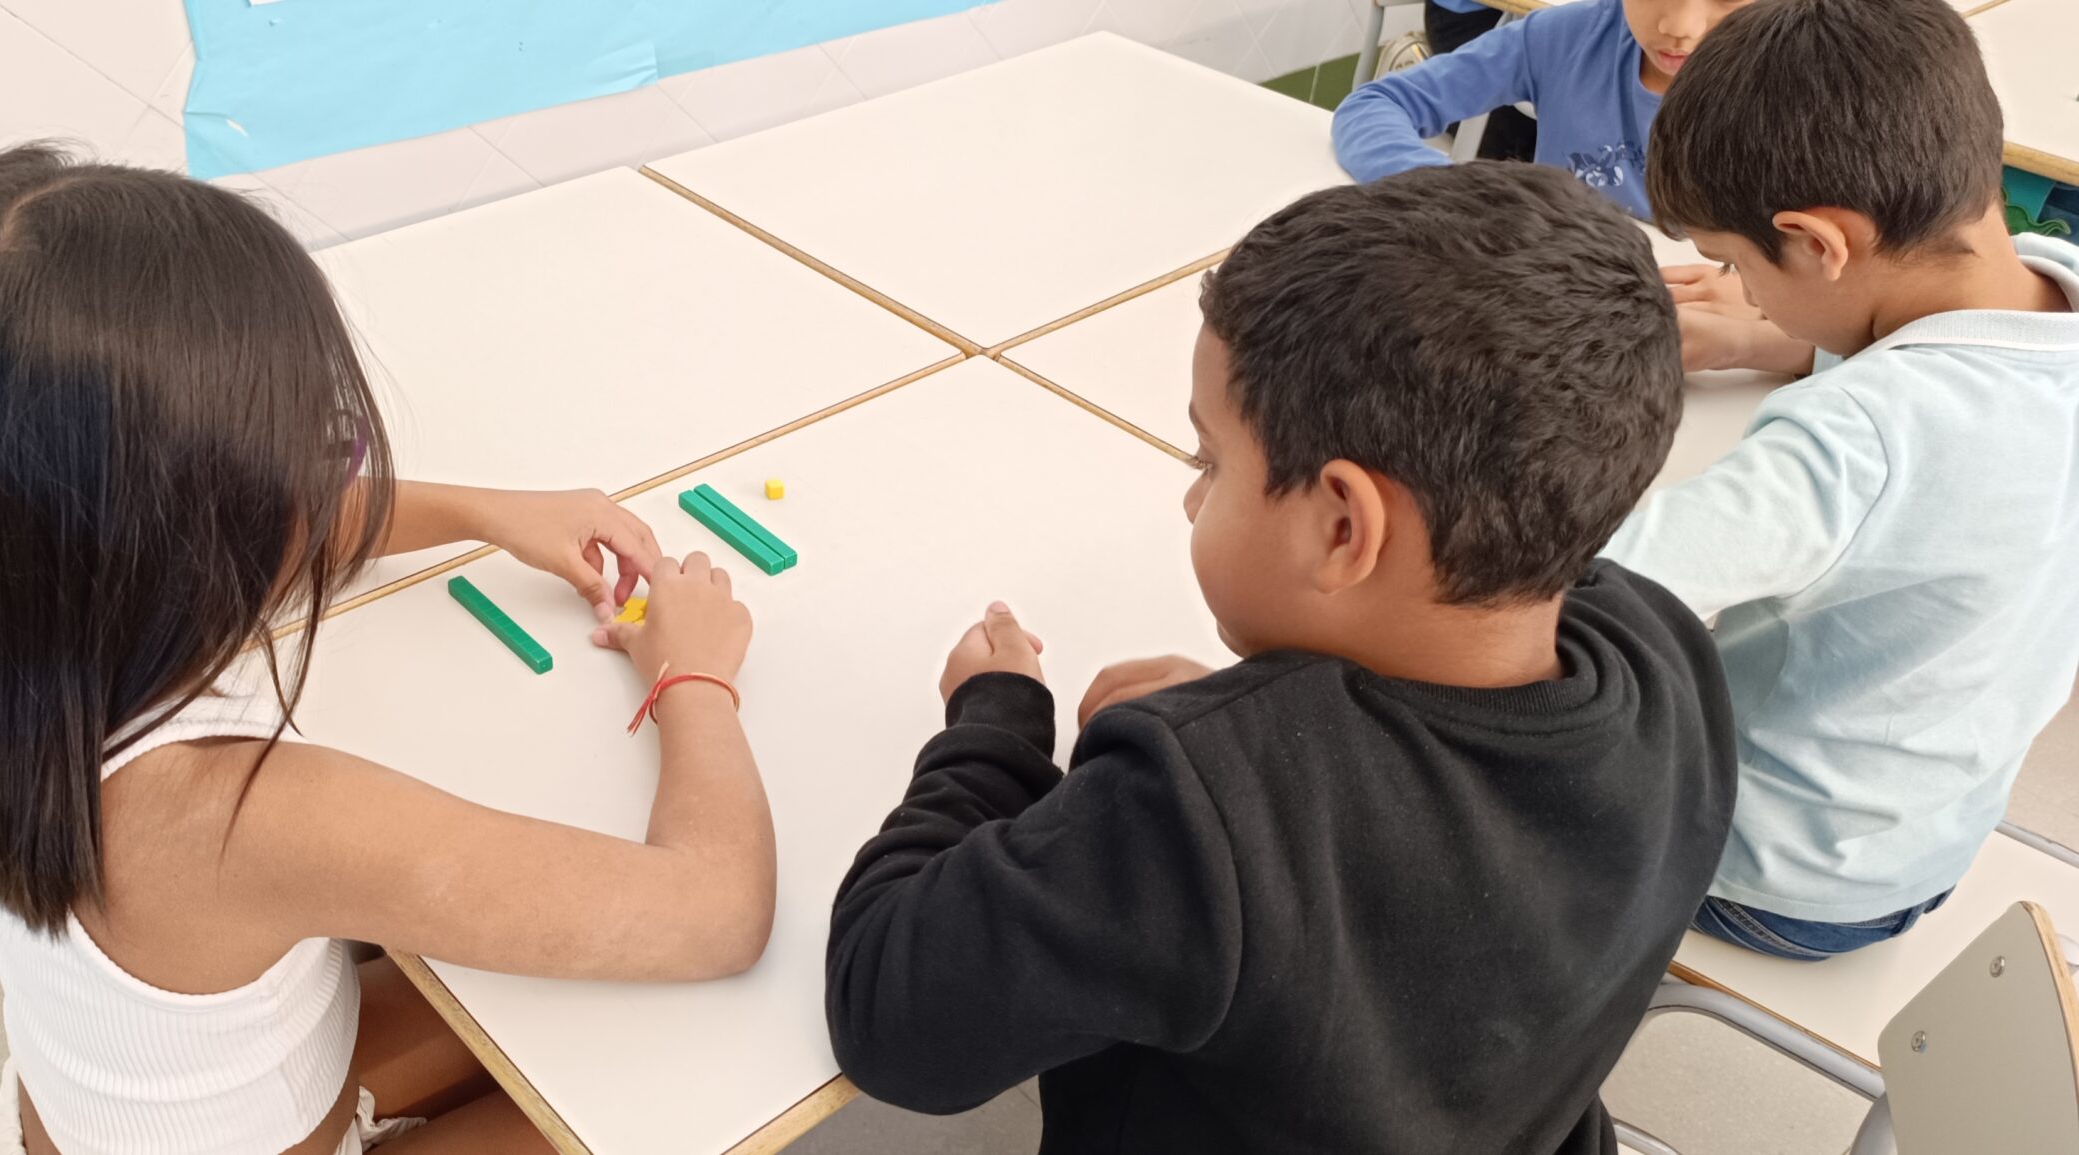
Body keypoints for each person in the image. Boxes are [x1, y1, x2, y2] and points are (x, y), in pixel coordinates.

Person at [0, 144, 774, 1154]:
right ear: (193, 528)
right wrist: (693, 676)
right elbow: (717, 912)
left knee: (517, 1015)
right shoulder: (238, 817)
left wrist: (485, 510)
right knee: (667, 1089)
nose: (328, 480)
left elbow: (267, 525)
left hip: (89, 1124)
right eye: (313, 446)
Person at [822, 162, 1735, 1154]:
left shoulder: (1192, 815)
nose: (1191, 497)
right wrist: (1262, 724)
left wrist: (993, 730)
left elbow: (890, 1019)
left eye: (1209, 461)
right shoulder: (1665, 656)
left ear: (1342, 527)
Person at [1606, 0, 2079, 959]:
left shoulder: (1859, 436)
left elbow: (1613, 583)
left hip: (1766, 873)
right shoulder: (2049, 286)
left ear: (1820, 245)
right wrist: (1767, 339)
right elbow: (1951, 374)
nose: (1742, 292)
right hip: (1920, 844)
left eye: (1738, 266)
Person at [1333, 0, 1758, 219]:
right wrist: (1462, 198)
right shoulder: (1565, 37)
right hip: (1557, 293)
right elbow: (1376, 103)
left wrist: (1756, 319)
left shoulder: (1789, 85)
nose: (1678, 27)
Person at [1422, 0, 1539, 162]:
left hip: (1536, 20)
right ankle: (1433, 94)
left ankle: (1434, 89)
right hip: (1475, 16)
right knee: (1518, 139)